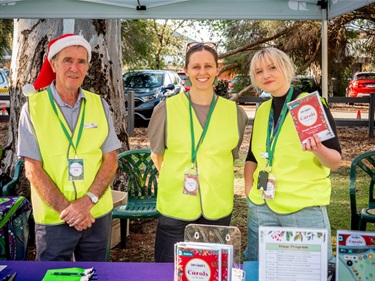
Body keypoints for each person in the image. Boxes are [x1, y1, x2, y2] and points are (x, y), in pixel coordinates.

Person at [17, 34, 121, 261]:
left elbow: (110, 159)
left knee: (97, 275)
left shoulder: (99, 104)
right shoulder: (33, 108)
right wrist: (71, 211)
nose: (74, 68)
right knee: (53, 276)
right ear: (53, 64)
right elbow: (32, 169)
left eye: (81, 61)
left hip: (96, 214)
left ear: (87, 67)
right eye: (67, 60)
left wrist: (87, 203)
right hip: (56, 218)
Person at [148, 42, 248, 263]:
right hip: (175, 206)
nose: (202, 72)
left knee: (215, 269)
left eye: (208, 66)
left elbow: (230, 154)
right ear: (186, 70)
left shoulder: (235, 113)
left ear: (216, 69)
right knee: (168, 271)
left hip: (218, 206)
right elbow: (157, 155)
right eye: (196, 67)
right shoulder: (165, 108)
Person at [244, 47, 342, 262]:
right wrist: (249, 189)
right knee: (260, 267)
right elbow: (253, 156)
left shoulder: (309, 105)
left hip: (303, 206)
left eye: (272, 68)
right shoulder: (262, 110)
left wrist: (319, 149)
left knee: (311, 270)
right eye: (259, 71)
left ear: (286, 69)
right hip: (262, 206)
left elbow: (335, 161)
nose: (266, 75)